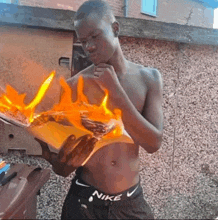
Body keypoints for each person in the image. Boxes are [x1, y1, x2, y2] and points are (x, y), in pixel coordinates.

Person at [35, 0, 163, 219]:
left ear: (115, 28)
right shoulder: (76, 85)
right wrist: (58, 161)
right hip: (84, 201)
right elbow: (64, 169)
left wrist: (115, 92)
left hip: (130, 203)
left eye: (95, 36)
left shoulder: (149, 78)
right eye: (83, 41)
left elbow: (153, 143)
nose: (90, 47)